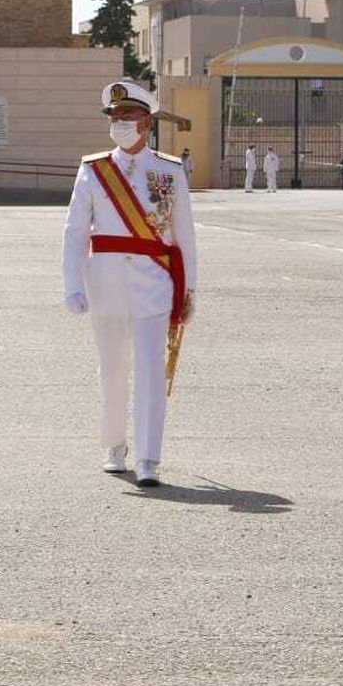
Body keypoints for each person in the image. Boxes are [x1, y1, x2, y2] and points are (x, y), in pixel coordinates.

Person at [62, 80, 198, 488]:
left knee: (152, 370)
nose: (121, 122)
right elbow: (75, 230)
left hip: (153, 281)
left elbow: (185, 235)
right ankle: (115, 447)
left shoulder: (169, 171)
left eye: (129, 116)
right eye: (116, 116)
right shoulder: (93, 169)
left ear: (147, 121)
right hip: (104, 280)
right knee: (113, 368)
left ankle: (148, 458)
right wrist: (73, 284)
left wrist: (188, 290)